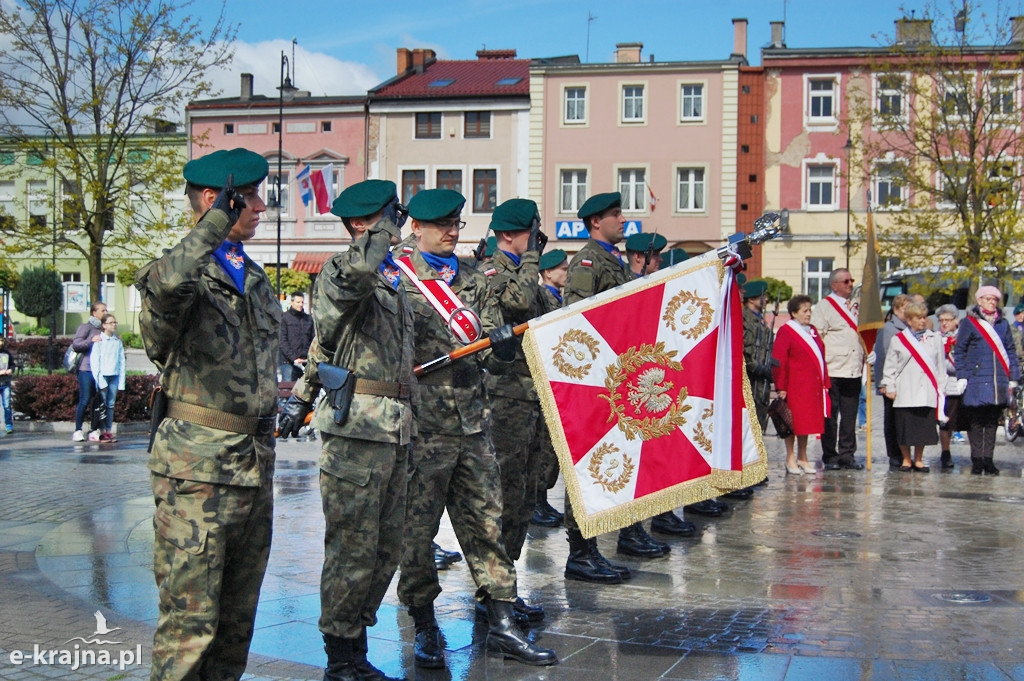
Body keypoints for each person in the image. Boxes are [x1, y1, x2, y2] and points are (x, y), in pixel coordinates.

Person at [395, 188, 557, 669]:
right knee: (416, 532)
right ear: (416, 228)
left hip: (473, 425)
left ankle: (503, 622)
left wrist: (501, 347)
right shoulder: (396, 277)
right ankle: (424, 622)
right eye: (443, 224)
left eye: (457, 224)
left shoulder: (472, 278)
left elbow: (485, 339)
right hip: (421, 427)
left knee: (487, 524)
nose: (452, 231)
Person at [135, 147, 279, 681]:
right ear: (218, 200)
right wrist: (216, 219)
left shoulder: (256, 278)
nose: (262, 207)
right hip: (196, 473)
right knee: (189, 621)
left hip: (252, 466)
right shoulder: (176, 274)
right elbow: (171, 284)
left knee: (237, 619)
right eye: (252, 198)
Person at [278, 179, 413, 681]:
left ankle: (355, 634)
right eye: (387, 216)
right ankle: (341, 654)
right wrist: (303, 399)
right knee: (352, 547)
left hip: (396, 428)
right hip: (356, 429)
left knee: (387, 547)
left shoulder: (391, 279)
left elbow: (325, 348)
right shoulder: (340, 272)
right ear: (361, 224)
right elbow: (354, 276)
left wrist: (302, 394)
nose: (396, 224)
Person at [563, 191, 666, 579]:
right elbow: (576, 319)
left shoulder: (614, 261)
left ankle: (620, 535)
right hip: (596, 384)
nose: (623, 220)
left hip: (620, 379)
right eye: (615, 214)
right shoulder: (588, 262)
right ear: (595, 223)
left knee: (622, 463)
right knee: (588, 466)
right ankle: (581, 551)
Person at [482, 198, 551, 615]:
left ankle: (505, 590)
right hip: (505, 400)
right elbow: (521, 303)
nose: (537, 246)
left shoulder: (527, 275)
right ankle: (494, 594)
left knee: (525, 498)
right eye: (533, 235)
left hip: (531, 399)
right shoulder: (492, 272)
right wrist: (531, 260)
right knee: (504, 498)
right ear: (509, 235)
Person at [953, 286, 1020, 475]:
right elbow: (960, 351)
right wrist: (962, 376)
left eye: (995, 300)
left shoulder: (1003, 324)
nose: (992, 302)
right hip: (976, 378)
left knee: (991, 421)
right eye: (988, 299)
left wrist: (1013, 377)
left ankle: (988, 460)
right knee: (975, 422)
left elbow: (1010, 351)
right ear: (980, 300)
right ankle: (976, 460)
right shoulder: (969, 323)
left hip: (998, 379)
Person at [882, 302, 945, 472]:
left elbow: (940, 367)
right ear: (909, 320)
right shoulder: (898, 339)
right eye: (919, 318)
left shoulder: (934, 338)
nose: (923, 321)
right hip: (905, 390)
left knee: (922, 427)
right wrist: (890, 386)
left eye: (924, 317)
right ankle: (906, 459)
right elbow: (890, 366)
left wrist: (941, 388)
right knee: (904, 427)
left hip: (926, 391)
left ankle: (918, 459)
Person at [811, 268, 865, 470]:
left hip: (853, 368)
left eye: (851, 280)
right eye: (846, 281)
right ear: (834, 285)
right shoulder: (824, 307)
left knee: (850, 416)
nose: (850, 284)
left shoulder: (858, 307)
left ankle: (847, 454)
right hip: (833, 368)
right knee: (830, 416)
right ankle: (830, 455)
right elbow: (818, 336)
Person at [530, 248, 568, 528]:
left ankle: (541, 500)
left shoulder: (559, 298)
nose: (566, 273)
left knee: (551, 447)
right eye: (562, 269)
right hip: (542, 381)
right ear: (547, 273)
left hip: (555, 381)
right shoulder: (543, 297)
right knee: (542, 446)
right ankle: (536, 501)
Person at [772, 295, 830, 475]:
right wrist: (781, 386)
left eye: (809, 310)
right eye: (804, 311)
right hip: (794, 385)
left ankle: (803, 457)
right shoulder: (786, 331)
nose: (808, 314)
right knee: (791, 423)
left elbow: (821, 356)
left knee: (806, 424)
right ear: (794, 313)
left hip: (811, 386)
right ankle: (790, 458)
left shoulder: (812, 330)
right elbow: (779, 360)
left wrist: (824, 381)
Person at [874, 294, 910, 469]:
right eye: (905, 308)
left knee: (905, 420)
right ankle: (894, 454)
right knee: (892, 420)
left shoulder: (912, 327)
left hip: (909, 382)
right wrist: (883, 383)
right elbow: (885, 356)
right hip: (893, 382)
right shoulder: (890, 328)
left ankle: (906, 454)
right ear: (896, 309)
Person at [70, 301, 107, 442]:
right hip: (86, 369)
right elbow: (76, 344)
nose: (105, 312)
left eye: (106, 310)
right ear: (94, 313)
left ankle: (94, 429)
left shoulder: (104, 328)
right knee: (85, 399)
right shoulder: (86, 327)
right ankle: (78, 430)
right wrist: (91, 341)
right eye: (102, 310)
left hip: (100, 370)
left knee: (97, 401)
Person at [89, 314, 126, 443]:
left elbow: (122, 362)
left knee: (111, 404)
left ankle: (108, 431)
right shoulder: (99, 341)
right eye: (110, 323)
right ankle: (102, 431)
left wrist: (121, 382)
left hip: (114, 376)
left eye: (115, 322)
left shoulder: (117, 342)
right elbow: (95, 362)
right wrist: (100, 380)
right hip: (103, 376)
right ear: (104, 325)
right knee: (102, 405)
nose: (113, 325)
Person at [936, 304, 963, 469]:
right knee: (945, 421)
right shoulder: (935, 337)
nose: (944, 323)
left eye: (948, 320)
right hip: (945, 384)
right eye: (941, 320)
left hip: (962, 382)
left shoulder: (963, 336)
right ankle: (945, 452)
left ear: (956, 321)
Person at [279, 291, 314, 382]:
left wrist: (308, 357)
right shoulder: (284, 318)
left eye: (302, 302)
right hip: (288, 362)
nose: (301, 304)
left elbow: (313, 339)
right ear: (292, 302)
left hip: (305, 362)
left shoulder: (308, 319)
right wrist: (294, 358)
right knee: (287, 391)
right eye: (298, 302)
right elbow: (282, 341)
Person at [0, 336, 12, 433]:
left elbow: (12, 364)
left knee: (7, 405)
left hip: (5, 383)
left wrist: (11, 369)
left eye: (1, 340)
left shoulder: (6, 353)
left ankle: (8, 425)